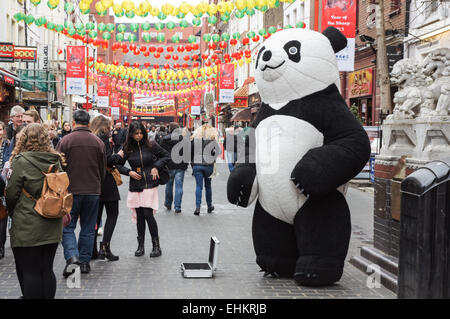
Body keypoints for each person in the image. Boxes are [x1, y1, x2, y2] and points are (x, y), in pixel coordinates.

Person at [5, 123, 66, 299]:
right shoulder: (55, 159)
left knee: (30, 269)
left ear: (23, 139)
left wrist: (11, 211)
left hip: (27, 222)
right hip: (52, 220)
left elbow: (11, 193)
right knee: (46, 269)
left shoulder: (20, 161)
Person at [56, 110, 106, 276]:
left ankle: (72, 257)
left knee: (67, 227)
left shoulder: (65, 140)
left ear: (74, 121)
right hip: (92, 190)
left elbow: (58, 167)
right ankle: (84, 263)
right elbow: (102, 169)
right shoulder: (98, 142)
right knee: (88, 227)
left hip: (70, 191)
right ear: (88, 123)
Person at [114, 121, 170, 258]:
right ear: (131, 134)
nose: (138, 136)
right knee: (139, 216)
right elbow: (117, 164)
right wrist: (128, 172)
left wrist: (156, 166)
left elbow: (166, 156)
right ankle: (141, 246)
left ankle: (156, 246)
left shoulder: (151, 145)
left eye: (140, 133)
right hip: (135, 183)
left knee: (147, 214)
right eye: (136, 134)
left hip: (150, 183)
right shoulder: (126, 148)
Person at [90, 115, 121, 261]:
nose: (110, 128)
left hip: (93, 180)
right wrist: (119, 155)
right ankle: (105, 248)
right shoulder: (102, 139)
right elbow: (109, 159)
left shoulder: (91, 137)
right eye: (109, 126)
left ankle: (92, 249)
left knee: (95, 216)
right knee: (112, 214)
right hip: (106, 180)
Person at [190, 123, 221, 216]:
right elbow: (218, 152)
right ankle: (209, 206)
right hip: (208, 165)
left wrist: (192, 163)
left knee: (198, 186)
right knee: (208, 186)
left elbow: (190, 152)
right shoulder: (212, 140)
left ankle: (197, 207)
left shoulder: (195, 140)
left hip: (197, 165)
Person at [159, 122, 189, 214]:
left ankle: (168, 203)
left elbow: (160, 152)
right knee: (179, 186)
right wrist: (185, 165)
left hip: (168, 165)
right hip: (180, 165)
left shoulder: (164, 140)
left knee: (169, 185)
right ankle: (177, 206)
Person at [0, 121, 11, 259]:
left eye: (0, 129)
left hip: (3, 182)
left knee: (2, 215)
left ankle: (1, 244)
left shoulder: (7, 144)